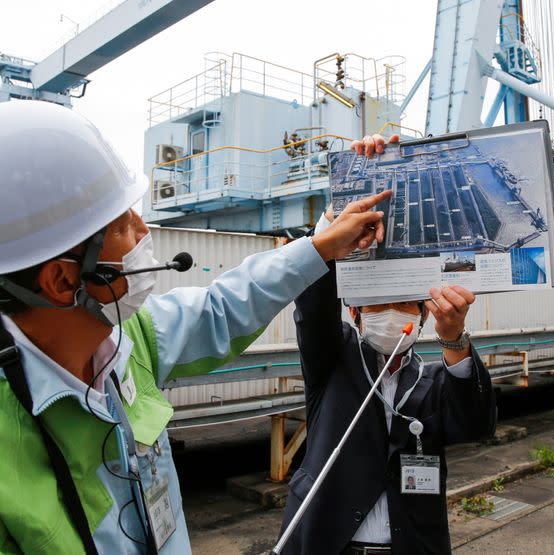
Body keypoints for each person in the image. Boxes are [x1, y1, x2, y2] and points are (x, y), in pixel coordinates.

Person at [0, 100, 392, 554]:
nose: (145, 231)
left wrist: (325, 237)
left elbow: (223, 308)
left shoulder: (131, 341)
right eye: (124, 226)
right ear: (63, 279)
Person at [278, 135, 497, 554]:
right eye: (378, 303)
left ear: (423, 314)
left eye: (404, 302)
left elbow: (475, 425)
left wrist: (455, 340)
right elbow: (312, 301)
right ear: (354, 314)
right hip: (328, 542)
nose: (393, 312)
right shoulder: (332, 358)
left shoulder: (435, 379)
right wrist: (348, 194)